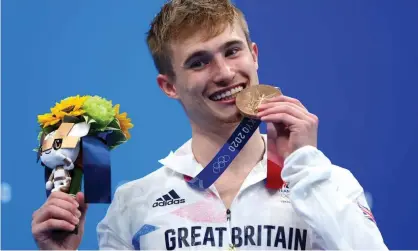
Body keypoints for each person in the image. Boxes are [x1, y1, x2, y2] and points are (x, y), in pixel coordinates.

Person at [31, 0, 388, 250]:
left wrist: (306, 166)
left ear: (255, 55)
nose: (225, 73)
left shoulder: (327, 184)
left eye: (232, 51)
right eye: (199, 62)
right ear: (169, 85)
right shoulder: (134, 204)